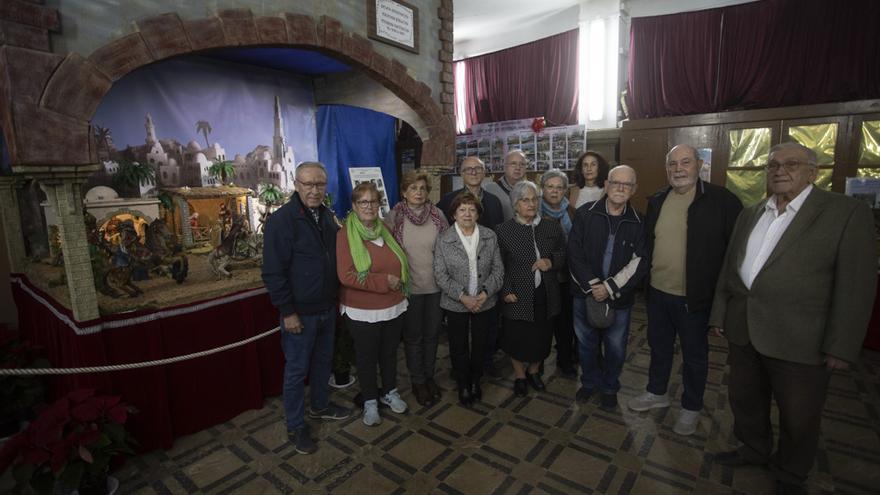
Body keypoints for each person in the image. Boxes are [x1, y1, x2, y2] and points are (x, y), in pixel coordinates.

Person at [709, 142, 876, 494]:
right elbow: (730, 267)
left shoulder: (843, 213)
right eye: (772, 165)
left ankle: (790, 472)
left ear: (813, 172)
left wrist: (842, 346)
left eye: (792, 164)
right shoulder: (752, 212)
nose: (780, 170)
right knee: (745, 400)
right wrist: (720, 313)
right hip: (745, 329)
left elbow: (857, 285)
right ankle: (753, 450)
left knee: (799, 415)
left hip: (802, 338)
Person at [627, 144, 742, 436]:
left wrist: (724, 302)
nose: (678, 169)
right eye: (672, 164)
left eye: (685, 163)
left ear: (699, 164)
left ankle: (691, 408)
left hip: (696, 299)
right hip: (658, 293)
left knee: (694, 356)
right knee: (659, 348)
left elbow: (735, 254)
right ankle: (657, 392)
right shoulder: (657, 200)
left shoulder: (722, 201)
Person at [261, 161, 351, 455]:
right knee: (297, 371)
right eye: (308, 184)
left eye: (319, 184)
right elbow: (273, 273)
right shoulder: (281, 221)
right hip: (299, 314)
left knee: (322, 364)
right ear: (296, 185)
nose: (314, 190)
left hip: (326, 308)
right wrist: (287, 312)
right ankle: (296, 425)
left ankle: (321, 406)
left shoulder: (327, 216)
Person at [568, 166, 648, 409]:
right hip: (585, 294)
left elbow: (640, 260)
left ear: (634, 189)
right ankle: (589, 382)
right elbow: (574, 253)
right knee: (586, 344)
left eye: (627, 185)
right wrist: (594, 286)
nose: (620, 188)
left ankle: (610, 386)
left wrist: (610, 287)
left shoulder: (640, 222)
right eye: (616, 183)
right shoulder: (584, 214)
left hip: (619, 297)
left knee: (615, 347)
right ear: (606, 184)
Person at [337, 182, 410, 426]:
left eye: (373, 201)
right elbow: (346, 275)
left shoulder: (384, 228)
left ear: (380, 204)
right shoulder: (345, 234)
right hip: (362, 310)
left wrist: (396, 282)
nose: (369, 206)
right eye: (363, 202)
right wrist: (384, 281)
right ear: (354, 206)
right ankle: (370, 400)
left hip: (393, 305)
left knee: (389, 354)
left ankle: (389, 392)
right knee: (367, 357)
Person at [433, 192, 505, 406]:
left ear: (478, 214)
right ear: (454, 214)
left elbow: (498, 271)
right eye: (462, 209)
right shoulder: (444, 239)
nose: (467, 214)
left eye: (472, 209)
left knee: (481, 345)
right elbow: (440, 274)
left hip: (485, 301)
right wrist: (463, 297)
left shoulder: (489, 236)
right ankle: (463, 384)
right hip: (456, 303)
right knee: (458, 346)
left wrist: (483, 294)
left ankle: (475, 381)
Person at [496, 181, 566, 397]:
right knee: (516, 337)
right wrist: (505, 289)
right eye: (525, 200)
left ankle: (534, 371)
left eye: (534, 199)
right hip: (516, 294)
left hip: (546, 292)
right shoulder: (503, 230)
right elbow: (498, 264)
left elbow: (564, 253)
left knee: (542, 336)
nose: (531, 204)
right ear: (515, 204)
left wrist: (551, 261)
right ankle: (519, 375)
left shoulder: (552, 225)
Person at [385, 171, 448, 407]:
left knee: (432, 335)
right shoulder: (395, 216)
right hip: (409, 287)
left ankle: (429, 377)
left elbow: (448, 247)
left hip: (435, 286)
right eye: (413, 188)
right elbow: (386, 249)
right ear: (404, 192)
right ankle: (418, 382)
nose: (419, 193)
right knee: (413, 338)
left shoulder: (438, 215)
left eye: (422, 188)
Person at [539, 169, 577, 377]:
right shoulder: (534, 211)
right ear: (542, 189)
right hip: (543, 279)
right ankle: (537, 366)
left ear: (565, 191)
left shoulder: (572, 212)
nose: (554, 191)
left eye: (559, 187)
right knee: (543, 326)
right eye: (550, 186)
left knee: (566, 324)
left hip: (568, 278)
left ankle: (565, 360)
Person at [438, 156, 504, 229]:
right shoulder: (448, 200)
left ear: (484, 173)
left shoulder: (494, 201)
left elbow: (499, 231)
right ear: (462, 174)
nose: (474, 172)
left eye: (478, 168)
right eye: (468, 169)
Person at [484, 149, 529, 221]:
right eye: (513, 163)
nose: (518, 168)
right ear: (505, 167)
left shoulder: (532, 190)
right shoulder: (489, 189)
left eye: (522, 164)